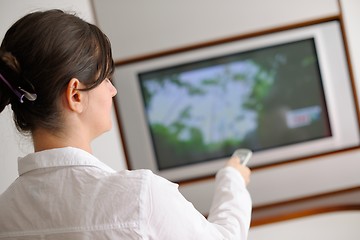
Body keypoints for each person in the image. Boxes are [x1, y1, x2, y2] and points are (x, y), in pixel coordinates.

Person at [0, 10, 252, 239]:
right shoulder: (139, 197)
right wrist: (232, 180)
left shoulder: (6, 214)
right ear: (75, 94)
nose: (112, 90)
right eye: (105, 77)